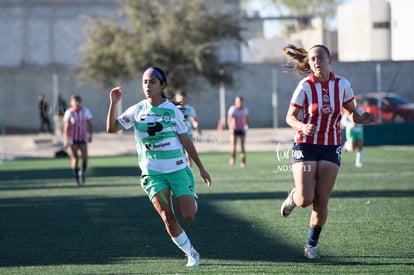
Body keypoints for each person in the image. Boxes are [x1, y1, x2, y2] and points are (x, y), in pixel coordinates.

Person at [106, 67, 211, 267]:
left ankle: (191, 201)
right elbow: (111, 129)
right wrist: (113, 103)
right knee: (167, 216)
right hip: (152, 174)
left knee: (188, 215)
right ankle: (191, 253)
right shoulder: (137, 110)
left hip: (178, 170)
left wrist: (201, 168)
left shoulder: (172, 111)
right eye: (145, 81)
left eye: (153, 81)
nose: (148, 85)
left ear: (162, 85)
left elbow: (187, 141)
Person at [280, 44, 375, 259]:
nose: (316, 62)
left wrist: (361, 118)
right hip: (305, 144)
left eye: (320, 58)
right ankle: (294, 196)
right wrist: (302, 126)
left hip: (331, 146)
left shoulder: (342, 85)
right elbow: (290, 117)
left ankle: (310, 246)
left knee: (321, 200)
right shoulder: (304, 86)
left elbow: (351, 113)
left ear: (329, 59)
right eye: (312, 59)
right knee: (305, 199)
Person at [63, 95, 93, 186]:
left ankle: (82, 173)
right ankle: (77, 180)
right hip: (73, 139)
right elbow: (66, 128)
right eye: (74, 101)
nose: (76, 103)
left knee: (85, 158)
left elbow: (90, 124)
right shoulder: (69, 112)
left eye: (78, 101)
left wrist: (90, 135)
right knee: (75, 159)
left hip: (83, 138)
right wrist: (66, 140)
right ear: (71, 102)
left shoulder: (85, 111)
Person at [174, 91, 201, 167]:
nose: (183, 101)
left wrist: (196, 125)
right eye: (181, 99)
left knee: (189, 155)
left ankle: (190, 172)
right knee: (178, 155)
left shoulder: (190, 109)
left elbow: (193, 120)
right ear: (177, 99)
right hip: (176, 135)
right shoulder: (174, 109)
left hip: (188, 134)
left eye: (184, 99)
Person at [341, 100, 364, 167]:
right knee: (352, 149)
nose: (356, 104)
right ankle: (346, 145)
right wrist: (351, 124)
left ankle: (358, 162)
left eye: (357, 103)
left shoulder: (360, 110)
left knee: (360, 145)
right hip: (351, 131)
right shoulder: (349, 111)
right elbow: (343, 122)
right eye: (355, 103)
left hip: (359, 130)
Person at [227, 96, 248, 167]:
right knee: (233, 146)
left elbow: (246, 119)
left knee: (242, 146)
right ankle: (233, 158)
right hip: (234, 129)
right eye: (237, 101)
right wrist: (230, 128)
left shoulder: (244, 110)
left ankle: (243, 161)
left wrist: (246, 127)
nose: (239, 103)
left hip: (241, 129)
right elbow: (229, 119)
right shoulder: (232, 109)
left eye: (240, 101)